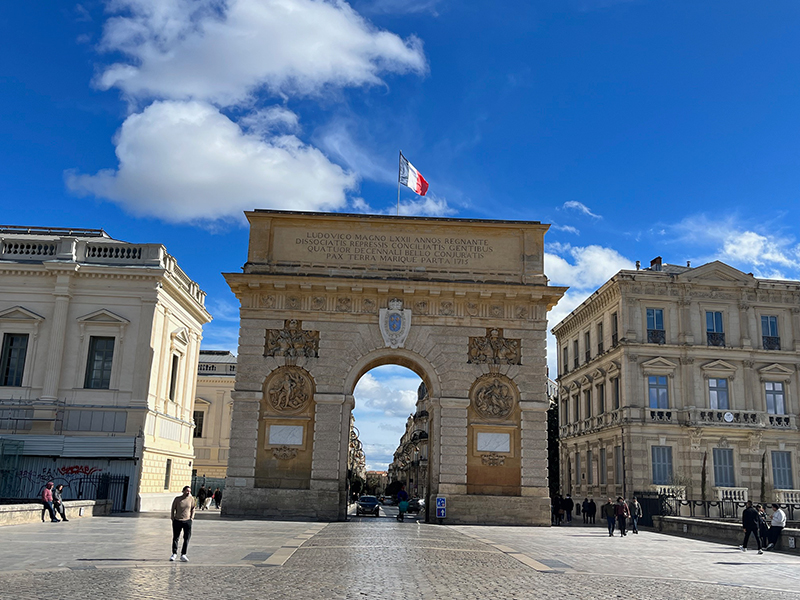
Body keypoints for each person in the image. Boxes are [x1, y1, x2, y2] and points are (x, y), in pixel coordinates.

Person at [170, 486, 195, 562]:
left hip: (187, 521)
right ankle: (174, 553)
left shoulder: (191, 499)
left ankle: (183, 554)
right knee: (176, 537)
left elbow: (193, 508)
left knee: (186, 538)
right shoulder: (177, 499)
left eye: (189, 491)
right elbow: (173, 508)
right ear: (183, 491)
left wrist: (191, 518)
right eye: (187, 491)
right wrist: (172, 517)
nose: (188, 492)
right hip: (177, 520)